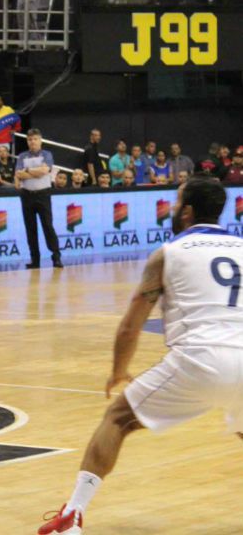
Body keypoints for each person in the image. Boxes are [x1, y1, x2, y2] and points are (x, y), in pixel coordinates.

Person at [39, 177, 243, 535]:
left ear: (188, 211)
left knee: (117, 418)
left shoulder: (169, 254)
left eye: (178, 201)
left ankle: (72, 515)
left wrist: (118, 370)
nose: (175, 207)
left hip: (200, 359)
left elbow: (130, 327)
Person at [15, 129, 62, 269]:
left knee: (48, 226)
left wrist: (28, 171)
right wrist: (35, 172)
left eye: (35, 139)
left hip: (43, 194)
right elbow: (18, 174)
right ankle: (35, 259)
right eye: (29, 139)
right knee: (30, 228)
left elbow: (45, 171)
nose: (32, 142)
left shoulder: (47, 154)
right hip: (27, 194)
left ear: (40, 140)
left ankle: (56, 257)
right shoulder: (22, 156)